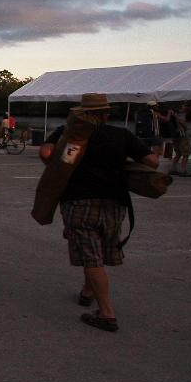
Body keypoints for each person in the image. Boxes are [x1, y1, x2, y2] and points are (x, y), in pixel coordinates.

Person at [39, 93, 159, 333]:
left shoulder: (69, 132)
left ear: (81, 113)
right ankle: (87, 291)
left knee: (90, 253)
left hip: (79, 201)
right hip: (115, 202)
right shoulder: (121, 135)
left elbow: (46, 154)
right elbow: (152, 161)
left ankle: (106, 312)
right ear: (106, 114)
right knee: (97, 250)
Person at [170, 104, 191, 176]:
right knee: (186, 153)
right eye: (186, 106)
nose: (188, 108)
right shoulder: (181, 115)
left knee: (178, 154)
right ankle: (183, 171)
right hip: (182, 135)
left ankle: (173, 169)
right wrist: (186, 127)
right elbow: (183, 124)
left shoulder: (173, 114)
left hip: (174, 136)